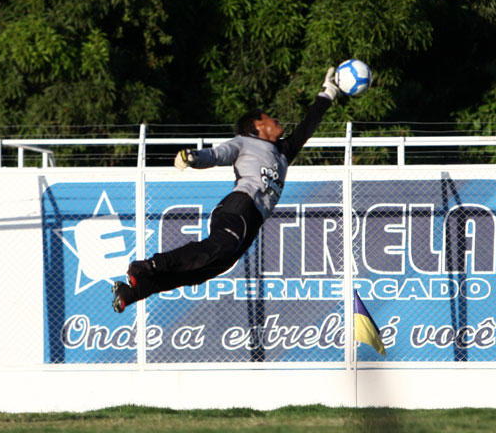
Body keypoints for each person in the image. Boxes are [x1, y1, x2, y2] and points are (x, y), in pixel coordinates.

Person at [112, 67, 340, 312]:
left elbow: (307, 127)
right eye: (270, 118)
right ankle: (146, 267)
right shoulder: (244, 142)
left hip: (252, 221)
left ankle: (134, 291)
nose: (277, 121)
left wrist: (328, 94)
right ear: (257, 125)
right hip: (239, 207)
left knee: (202, 272)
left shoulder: (283, 152)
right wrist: (193, 157)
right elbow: (217, 154)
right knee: (217, 249)